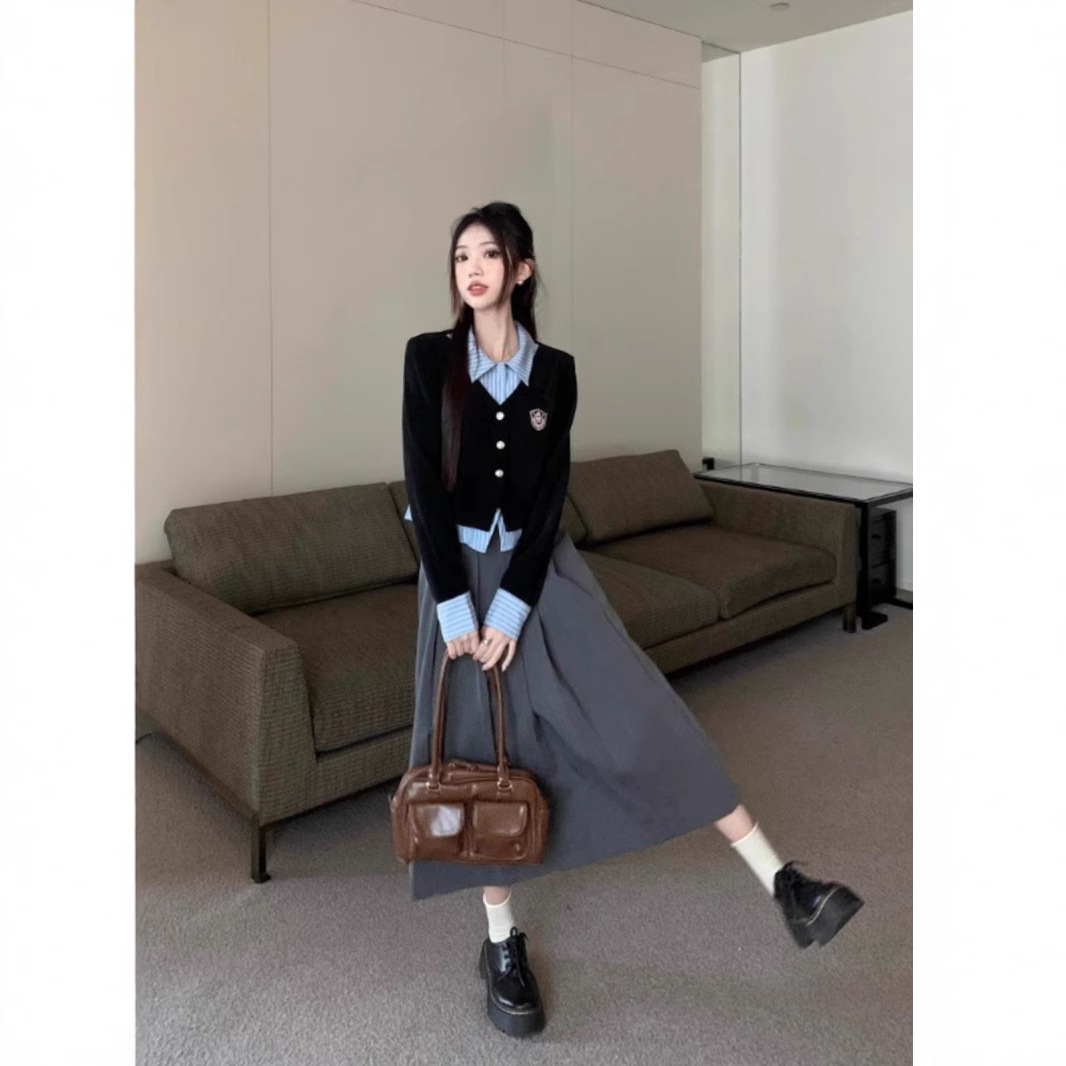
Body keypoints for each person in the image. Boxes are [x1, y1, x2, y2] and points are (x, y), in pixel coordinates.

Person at [400, 201, 863, 1039]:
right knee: (484, 755)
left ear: (521, 269)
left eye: (489, 254)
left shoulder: (556, 372)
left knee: (642, 712)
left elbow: (548, 500)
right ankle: (500, 945)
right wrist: (458, 606)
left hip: (540, 577)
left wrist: (516, 603)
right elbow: (424, 489)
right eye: (461, 255)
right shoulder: (429, 358)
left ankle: (784, 882)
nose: (472, 268)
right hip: (457, 582)